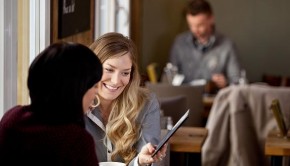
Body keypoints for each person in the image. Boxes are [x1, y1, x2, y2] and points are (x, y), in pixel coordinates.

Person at [0, 42, 103, 165]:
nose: (96, 92)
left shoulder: (12, 118)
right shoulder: (76, 141)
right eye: (94, 86)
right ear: (76, 90)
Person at [85, 32, 167, 166]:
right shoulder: (75, 104)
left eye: (125, 73)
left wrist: (140, 161)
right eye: (109, 70)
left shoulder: (146, 103)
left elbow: (147, 158)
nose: (116, 81)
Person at [169, 0, 241, 89]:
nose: (195, 30)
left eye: (200, 25)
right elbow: (170, 77)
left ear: (211, 19)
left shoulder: (227, 45)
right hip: (186, 98)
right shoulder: (179, 43)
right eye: (191, 25)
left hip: (215, 100)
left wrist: (225, 82)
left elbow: (237, 81)